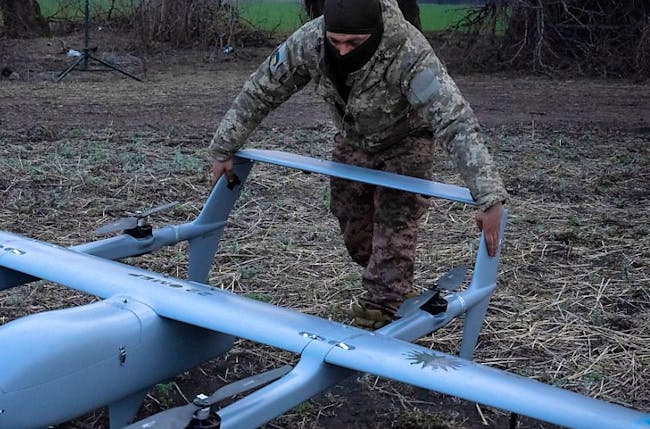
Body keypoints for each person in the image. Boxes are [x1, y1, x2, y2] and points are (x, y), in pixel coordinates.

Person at [208, 0, 508, 328]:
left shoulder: (409, 53)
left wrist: (488, 195)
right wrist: (224, 148)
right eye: (336, 41)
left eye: (354, 43)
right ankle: (391, 282)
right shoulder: (310, 42)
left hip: (406, 141)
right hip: (354, 140)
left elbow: (454, 120)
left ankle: (379, 310)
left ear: (375, 33)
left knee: (395, 222)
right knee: (352, 221)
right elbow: (262, 89)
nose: (343, 50)